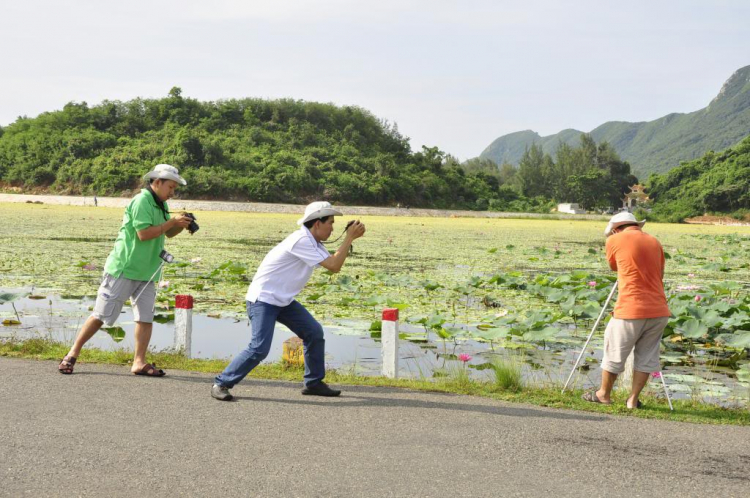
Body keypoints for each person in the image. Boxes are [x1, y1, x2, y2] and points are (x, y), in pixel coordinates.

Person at [211, 201, 365, 401]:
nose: (332, 228)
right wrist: (349, 237)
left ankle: (314, 383)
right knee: (259, 348)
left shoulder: (312, 242)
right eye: (331, 223)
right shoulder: (301, 240)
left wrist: (348, 239)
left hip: (282, 301)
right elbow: (334, 265)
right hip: (264, 299)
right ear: (317, 223)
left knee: (314, 332)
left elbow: (333, 260)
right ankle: (221, 383)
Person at [58, 164, 194, 376]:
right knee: (101, 315)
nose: (172, 192)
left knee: (145, 318)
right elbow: (144, 234)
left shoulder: (161, 204)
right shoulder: (141, 201)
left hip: (148, 271)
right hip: (125, 268)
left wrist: (180, 224)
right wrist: (171, 222)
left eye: (174, 188)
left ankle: (139, 362)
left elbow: (166, 234)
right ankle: (72, 354)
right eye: (170, 187)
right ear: (156, 182)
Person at [583, 212, 670, 409]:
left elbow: (614, 266)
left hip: (631, 308)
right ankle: (632, 400)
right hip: (659, 309)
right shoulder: (654, 241)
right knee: (647, 357)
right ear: (636, 225)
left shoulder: (614, 239)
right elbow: (660, 273)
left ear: (615, 228)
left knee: (614, 351)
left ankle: (603, 394)